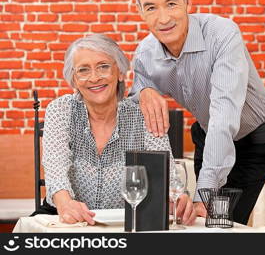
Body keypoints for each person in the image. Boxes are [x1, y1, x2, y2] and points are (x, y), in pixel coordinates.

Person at [130, 0, 265, 225]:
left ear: (188, 1)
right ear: (140, 11)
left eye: (171, 3)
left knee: (223, 222)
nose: (164, 18)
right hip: (207, 134)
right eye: (151, 7)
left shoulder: (223, 35)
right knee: (200, 222)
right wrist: (143, 90)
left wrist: (205, 193)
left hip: (256, 141)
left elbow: (224, 115)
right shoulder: (145, 54)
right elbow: (137, 89)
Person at [41, 34, 196, 225]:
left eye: (103, 66)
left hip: (125, 220)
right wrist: (65, 203)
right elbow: (55, 166)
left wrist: (178, 199)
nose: (94, 77)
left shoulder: (144, 113)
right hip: (68, 215)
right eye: (83, 70)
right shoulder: (60, 109)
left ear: (120, 72)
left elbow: (167, 174)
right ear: (73, 80)